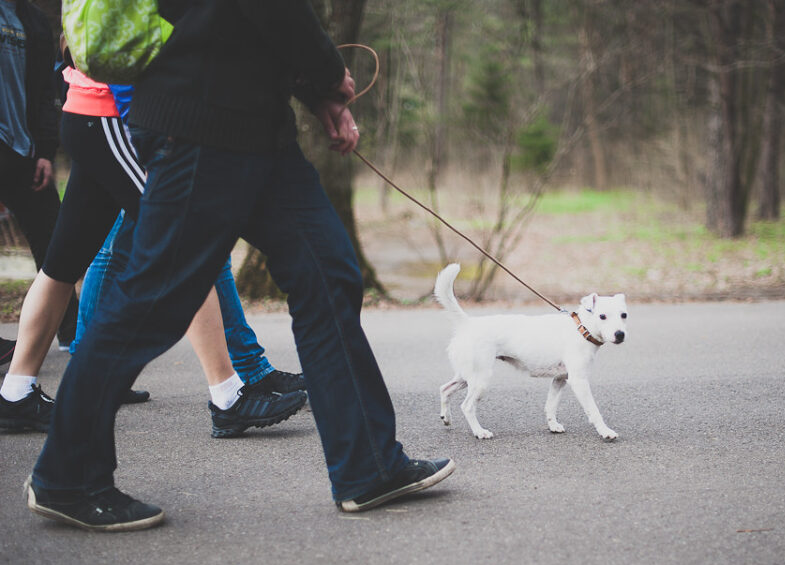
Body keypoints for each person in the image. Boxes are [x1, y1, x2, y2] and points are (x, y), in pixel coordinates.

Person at [25, 0, 455, 531]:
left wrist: (312, 92)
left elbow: (248, 26)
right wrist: (326, 75)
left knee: (329, 272)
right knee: (154, 299)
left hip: (257, 127)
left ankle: (368, 467)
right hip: (201, 125)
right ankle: (66, 475)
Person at [0, 60, 308, 437]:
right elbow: (130, 55)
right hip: (117, 117)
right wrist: (153, 126)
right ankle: (228, 397)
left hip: (89, 114)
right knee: (188, 242)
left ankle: (16, 393)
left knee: (61, 264)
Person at [0, 0, 78, 349]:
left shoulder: (30, 17)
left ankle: (71, 331)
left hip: (26, 149)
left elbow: (47, 89)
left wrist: (45, 151)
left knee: (56, 243)